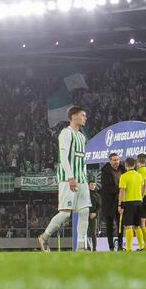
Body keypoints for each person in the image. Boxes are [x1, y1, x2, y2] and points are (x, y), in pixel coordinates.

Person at [38, 106, 91, 252]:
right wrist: (70, 177)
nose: (85, 118)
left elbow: (82, 160)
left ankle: (81, 246)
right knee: (66, 213)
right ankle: (44, 236)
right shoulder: (66, 133)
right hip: (68, 179)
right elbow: (64, 158)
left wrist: (84, 178)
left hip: (81, 179)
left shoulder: (81, 137)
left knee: (84, 211)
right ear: (73, 116)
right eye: (83, 115)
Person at [118, 158, 145, 252]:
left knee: (128, 226)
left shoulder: (124, 176)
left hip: (129, 203)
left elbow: (122, 191)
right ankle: (141, 246)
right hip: (139, 202)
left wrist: (120, 205)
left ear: (126, 165)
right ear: (134, 165)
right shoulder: (140, 176)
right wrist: (141, 197)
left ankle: (128, 248)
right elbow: (143, 187)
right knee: (137, 226)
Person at [100, 153, 124, 250]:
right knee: (109, 226)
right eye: (114, 160)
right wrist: (120, 189)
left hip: (121, 201)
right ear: (110, 161)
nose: (116, 162)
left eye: (117, 159)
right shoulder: (105, 171)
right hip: (109, 203)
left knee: (120, 225)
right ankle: (111, 247)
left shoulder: (123, 170)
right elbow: (105, 188)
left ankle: (120, 246)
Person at [135, 154, 146, 251]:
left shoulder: (140, 171)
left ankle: (145, 245)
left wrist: (140, 198)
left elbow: (143, 185)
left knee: (141, 224)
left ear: (138, 161)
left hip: (143, 198)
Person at [87, 177, 101, 251]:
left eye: (94, 185)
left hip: (94, 217)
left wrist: (95, 213)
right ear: (88, 185)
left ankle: (94, 249)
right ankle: (86, 247)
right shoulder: (85, 194)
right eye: (91, 185)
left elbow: (99, 206)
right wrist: (88, 213)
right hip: (85, 215)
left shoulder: (97, 195)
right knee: (84, 232)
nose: (93, 186)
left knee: (93, 233)